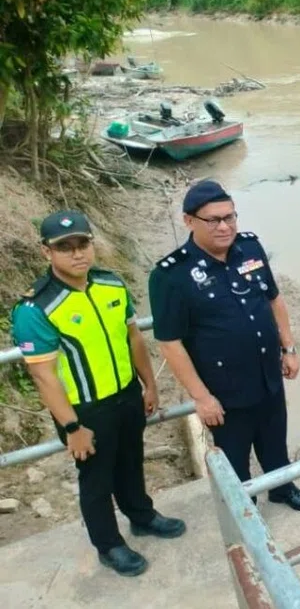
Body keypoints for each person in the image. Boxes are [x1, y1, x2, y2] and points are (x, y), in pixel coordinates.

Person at [10, 210, 186, 577]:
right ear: (47, 253)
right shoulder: (37, 308)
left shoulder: (111, 284)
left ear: (92, 244)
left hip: (126, 394)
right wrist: (72, 427)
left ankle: (141, 516)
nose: (77, 254)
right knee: (96, 479)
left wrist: (149, 385)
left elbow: (133, 338)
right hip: (84, 410)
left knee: (131, 460)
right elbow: (44, 376)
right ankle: (109, 545)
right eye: (65, 248)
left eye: (83, 244)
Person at [147, 179, 300, 512]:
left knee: (274, 442)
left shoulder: (250, 248)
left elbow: (274, 300)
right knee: (234, 455)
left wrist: (289, 349)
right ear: (189, 221)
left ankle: (282, 489)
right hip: (224, 390)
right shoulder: (171, 276)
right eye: (213, 220)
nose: (224, 227)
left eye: (230, 217)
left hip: (268, 373)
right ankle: (245, 508)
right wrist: (201, 397)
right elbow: (170, 344)